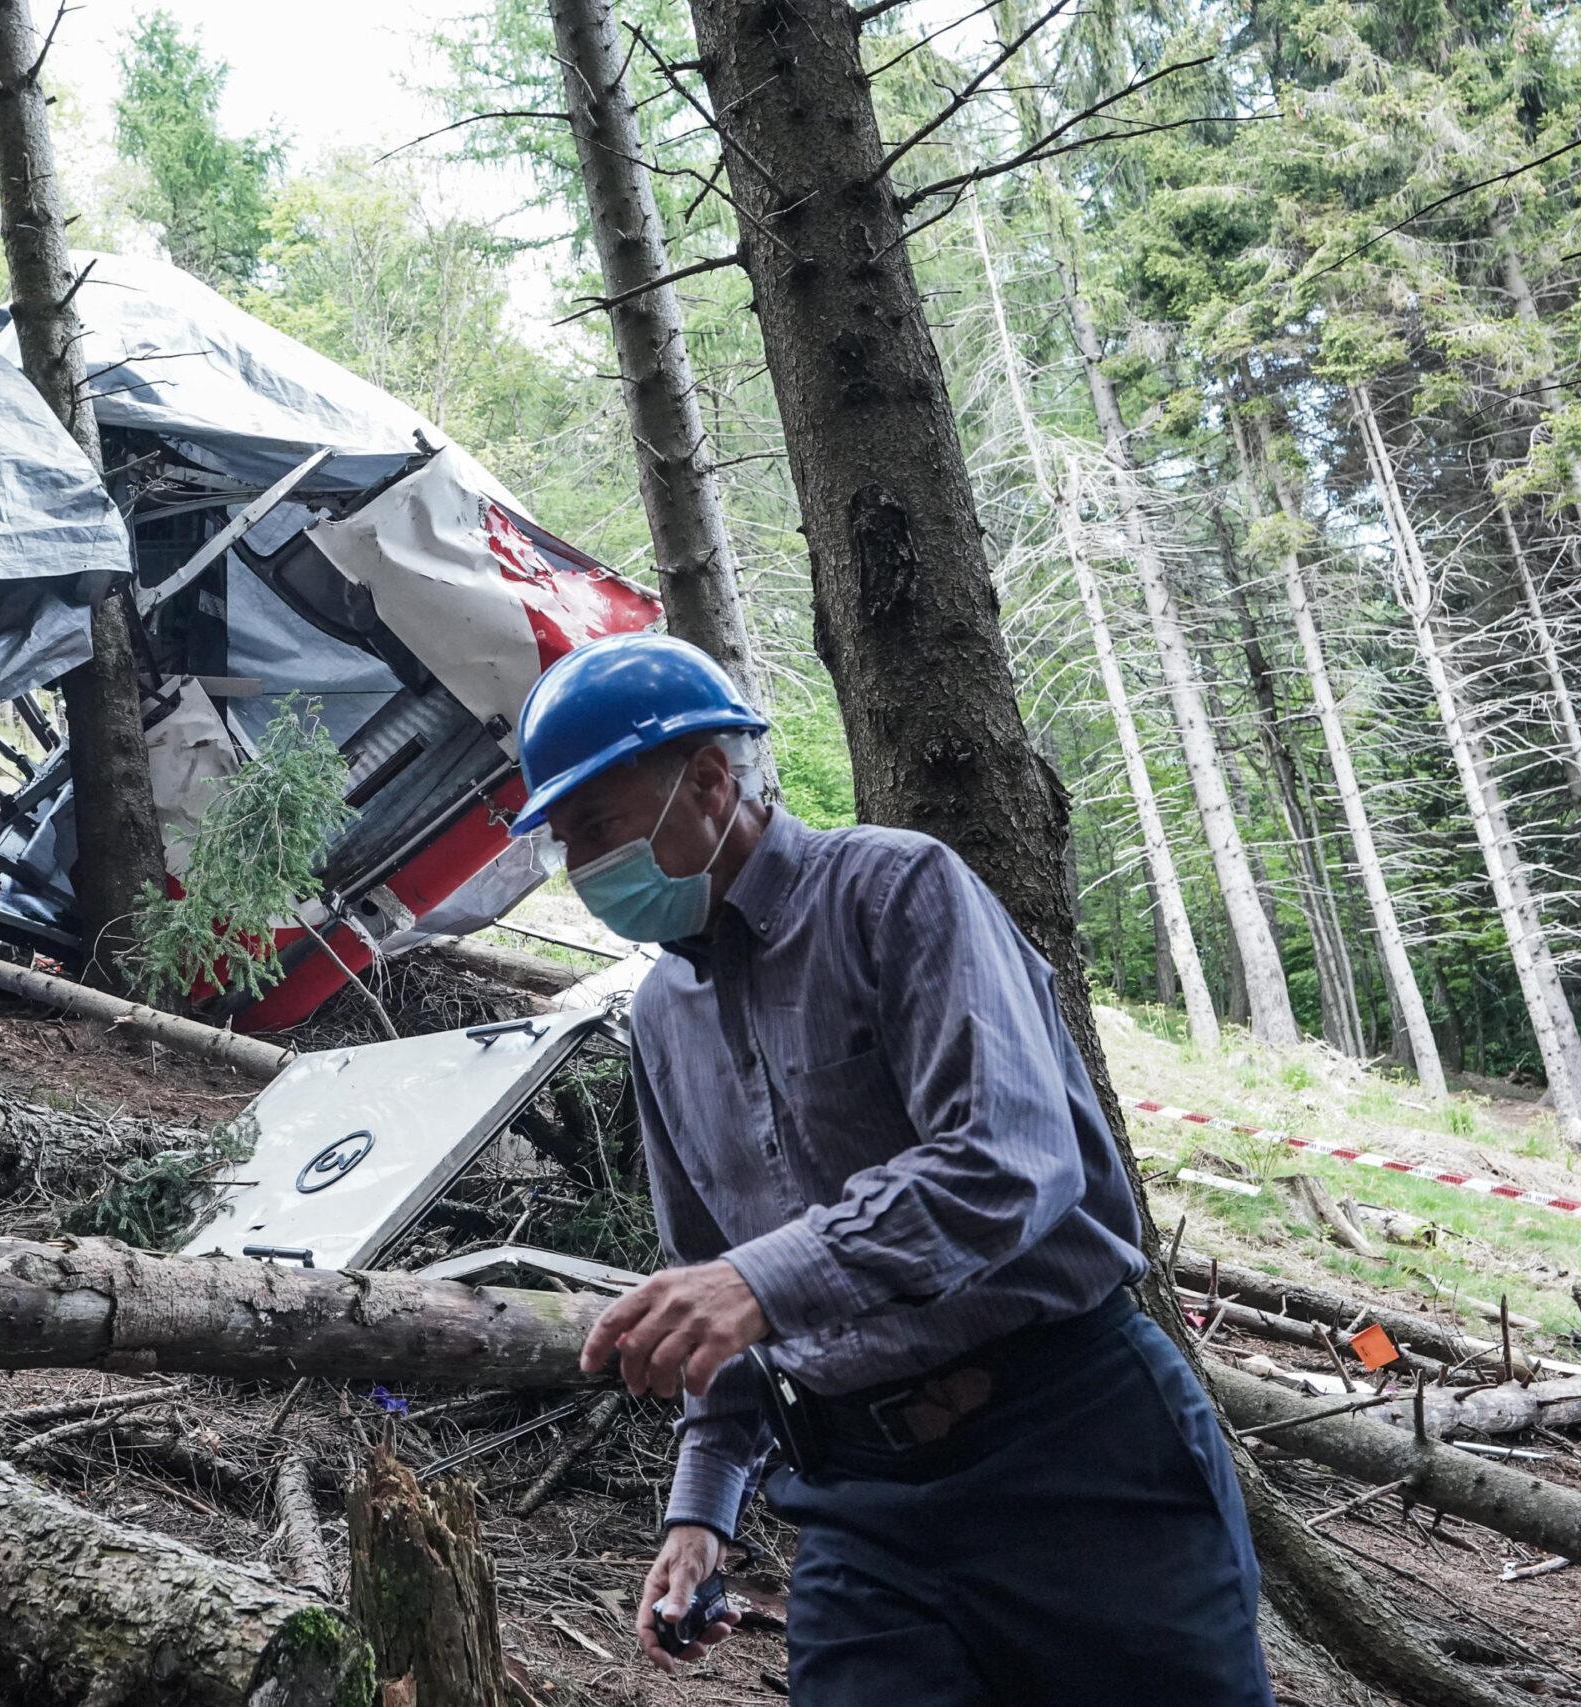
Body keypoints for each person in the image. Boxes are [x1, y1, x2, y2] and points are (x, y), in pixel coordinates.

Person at [516, 633, 1273, 1706]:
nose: (584, 868)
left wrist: (762, 1281)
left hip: (1075, 1453)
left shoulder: (894, 892)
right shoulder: (658, 1017)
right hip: (859, 1499)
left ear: (709, 781)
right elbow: (709, 1288)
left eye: (596, 826)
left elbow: (1006, 1159)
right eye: (562, 842)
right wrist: (701, 1505)